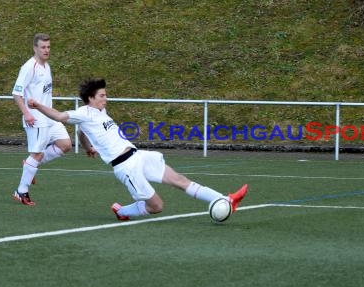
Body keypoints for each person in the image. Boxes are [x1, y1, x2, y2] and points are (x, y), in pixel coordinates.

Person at [27, 78, 248, 221]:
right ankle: (122, 211)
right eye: (102, 95)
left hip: (139, 156)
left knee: (179, 179)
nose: (106, 98)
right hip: (125, 167)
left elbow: (83, 133)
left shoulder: (99, 114)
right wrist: (37, 106)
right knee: (156, 206)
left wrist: (88, 147)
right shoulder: (83, 112)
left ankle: (225, 199)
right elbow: (58, 116)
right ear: (90, 99)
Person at [11, 33, 72, 206]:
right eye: (43, 47)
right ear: (35, 48)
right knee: (36, 154)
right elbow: (16, 93)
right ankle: (21, 191)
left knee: (65, 144)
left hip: (50, 116)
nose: (46, 50)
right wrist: (27, 113)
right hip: (36, 119)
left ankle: (30, 165)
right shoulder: (29, 67)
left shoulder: (47, 66)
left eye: (48, 47)